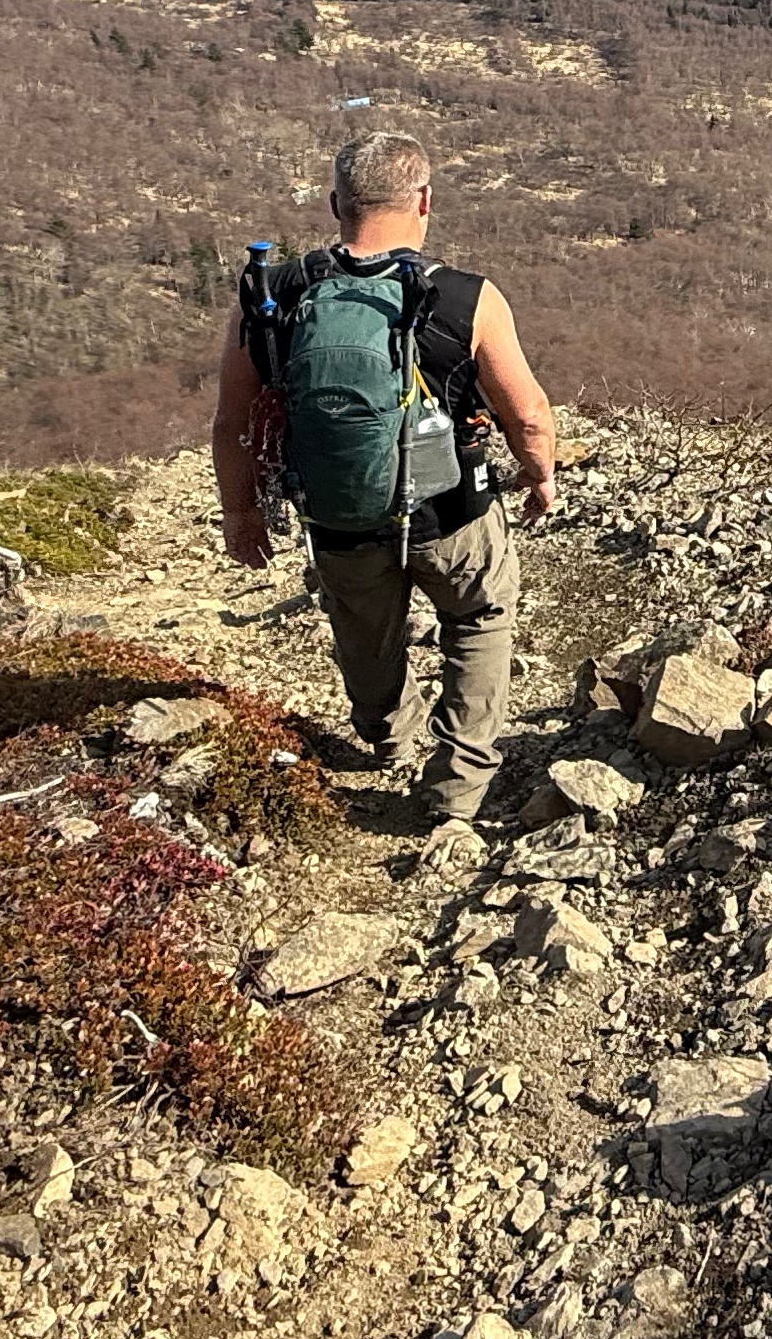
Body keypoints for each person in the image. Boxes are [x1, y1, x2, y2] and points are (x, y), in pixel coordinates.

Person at [213, 131, 558, 822]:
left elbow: (232, 421)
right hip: (452, 511)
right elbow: (527, 416)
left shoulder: (274, 293)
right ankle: (457, 786)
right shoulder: (466, 298)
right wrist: (540, 476)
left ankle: (387, 734)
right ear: (424, 202)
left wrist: (243, 515)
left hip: (339, 516)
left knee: (365, 630)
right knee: (481, 616)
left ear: (335, 202)